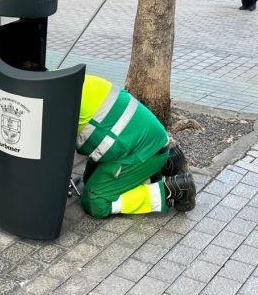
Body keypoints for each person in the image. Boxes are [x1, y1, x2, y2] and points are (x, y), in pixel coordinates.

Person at [77, 74, 196, 217]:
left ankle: (175, 188)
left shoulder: (56, 99)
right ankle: (168, 161)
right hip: (143, 138)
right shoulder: (65, 79)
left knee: (95, 201)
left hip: (141, 150)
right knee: (89, 181)